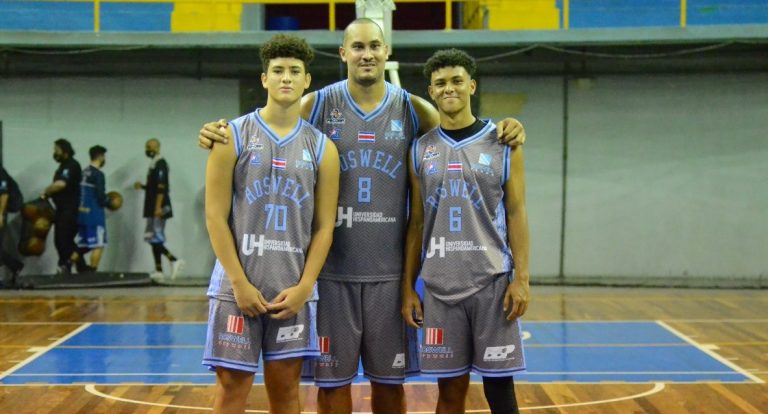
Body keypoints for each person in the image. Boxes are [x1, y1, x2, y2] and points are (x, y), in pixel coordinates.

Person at [197, 19, 527, 414]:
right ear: (343, 54)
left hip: (389, 277)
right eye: (357, 47)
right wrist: (216, 131)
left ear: (386, 52)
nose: (366, 54)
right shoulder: (315, 103)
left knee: (390, 387)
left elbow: (460, 133)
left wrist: (505, 128)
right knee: (331, 388)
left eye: (374, 45)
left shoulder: (412, 107)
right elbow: (269, 122)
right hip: (332, 275)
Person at [203, 34, 340, 414]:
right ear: (264, 79)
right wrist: (239, 283)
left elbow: (324, 227)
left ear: (307, 81)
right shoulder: (231, 135)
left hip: (292, 291)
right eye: (277, 71)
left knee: (286, 393)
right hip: (236, 289)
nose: (286, 78)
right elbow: (214, 216)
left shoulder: (323, 148)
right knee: (232, 393)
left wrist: (305, 287)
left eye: (295, 71)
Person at [402, 48, 530, 414]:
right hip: (441, 286)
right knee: (450, 393)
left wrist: (522, 278)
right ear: (431, 91)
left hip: (492, 282)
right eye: (440, 83)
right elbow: (417, 223)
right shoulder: (420, 150)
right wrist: (407, 288)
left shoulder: (503, 142)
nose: (449, 89)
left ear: (471, 85)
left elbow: (517, 212)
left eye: (457, 80)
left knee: (500, 392)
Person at [134, 138, 184, 279]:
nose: (147, 150)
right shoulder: (153, 164)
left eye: (149, 146)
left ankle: (174, 260)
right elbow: (154, 187)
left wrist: (157, 208)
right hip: (151, 208)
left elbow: (162, 188)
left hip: (158, 208)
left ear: (157, 147)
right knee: (152, 238)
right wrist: (143, 186)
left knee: (155, 238)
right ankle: (159, 270)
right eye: (146, 147)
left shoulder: (161, 164)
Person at [42, 138, 82, 274]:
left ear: (65, 150)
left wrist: (46, 191)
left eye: (56, 150)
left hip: (70, 209)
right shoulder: (63, 166)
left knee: (63, 239)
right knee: (63, 240)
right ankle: (79, 267)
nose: (54, 153)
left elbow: (61, 184)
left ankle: (66, 265)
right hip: (63, 209)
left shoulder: (71, 165)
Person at [73, 145, 110, 272]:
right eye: (104, 156)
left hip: (82, 215)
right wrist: (110, 202)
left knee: (83, 245)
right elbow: (100, 196)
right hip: (95, 215)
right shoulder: (98, 174)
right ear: (100, 156)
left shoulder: (83, 172)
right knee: (99, 245)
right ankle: (93, 272)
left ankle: (66, 264)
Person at [0, 166, 24, 283]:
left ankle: (15, 266)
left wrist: (0, 215)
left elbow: (4, 194)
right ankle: (15, 266)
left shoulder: (0, 172)